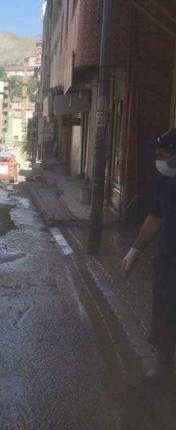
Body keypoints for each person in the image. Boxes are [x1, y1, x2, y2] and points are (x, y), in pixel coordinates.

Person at [122, 128, 176, 382]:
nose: (157, 156)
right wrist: (134, 251)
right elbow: (155, 217)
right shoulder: (166, 182)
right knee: (164, 315)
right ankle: (164, 367)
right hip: (168, 264)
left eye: (162, 151)